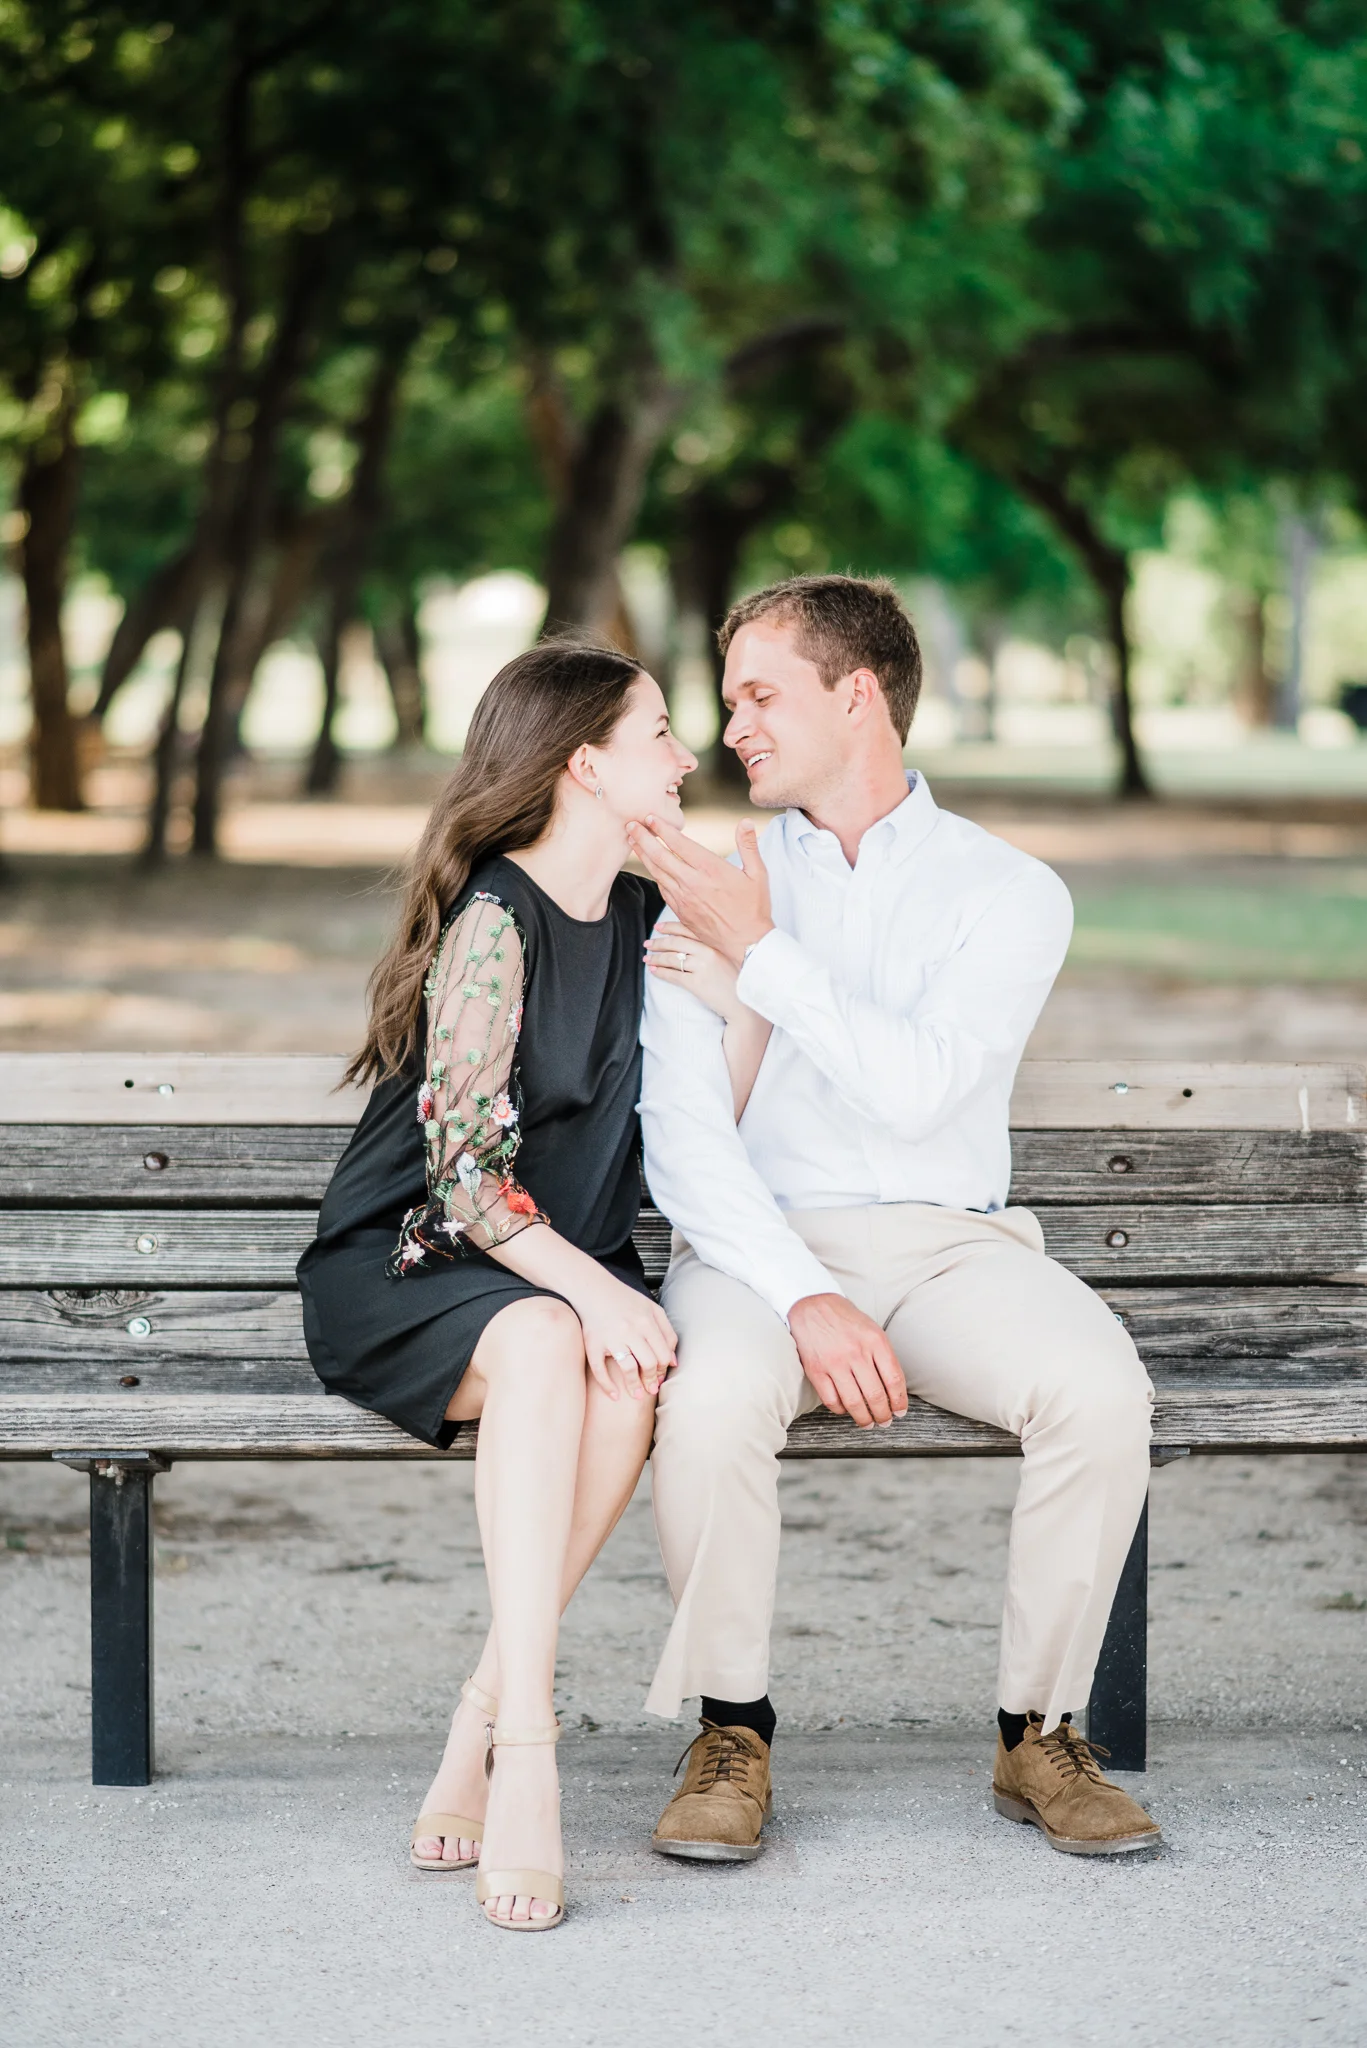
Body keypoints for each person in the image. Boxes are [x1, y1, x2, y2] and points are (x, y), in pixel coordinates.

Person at [630, 574, 1161, 1863]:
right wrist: (799, 1288)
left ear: (856, 694)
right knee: (704, 1403)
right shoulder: (703, 880)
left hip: (950, 1247)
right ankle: (730, 1730)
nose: (733, 727)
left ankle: (1038, 1733)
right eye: (729, 700)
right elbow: (686, 1140)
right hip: (759, 1250)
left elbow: (926, 1092)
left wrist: (760, 960)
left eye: (761, 695)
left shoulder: (1010, 891)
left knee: (1101, 1389)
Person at [298, 641, 707, 1931]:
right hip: (411, 1262)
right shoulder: (494, 921)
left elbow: (710, 1118)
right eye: (659, 734)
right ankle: (529, 1747)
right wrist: (594, 1291)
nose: (687, 756)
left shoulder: (648, 917)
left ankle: (479, 1711)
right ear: (587, 763)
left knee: (623, 1370)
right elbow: (464, 1177)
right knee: (549, 1341)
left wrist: (738, 968)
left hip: (549, 1268)